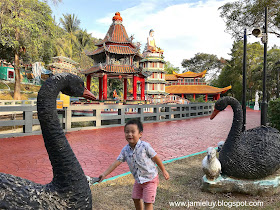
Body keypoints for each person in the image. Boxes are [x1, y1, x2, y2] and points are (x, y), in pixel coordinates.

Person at [99, 119, 169, 210]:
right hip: (139, 180)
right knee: (135, 198)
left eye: (133, 132)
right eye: (127, 132)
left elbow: (156, 158)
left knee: (148, 202)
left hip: (150, 179)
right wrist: (104, 174)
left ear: (140, 134)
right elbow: (116, 163)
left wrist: (163, 170)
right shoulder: (125, 150)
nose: (129, 134)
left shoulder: (145, 146)